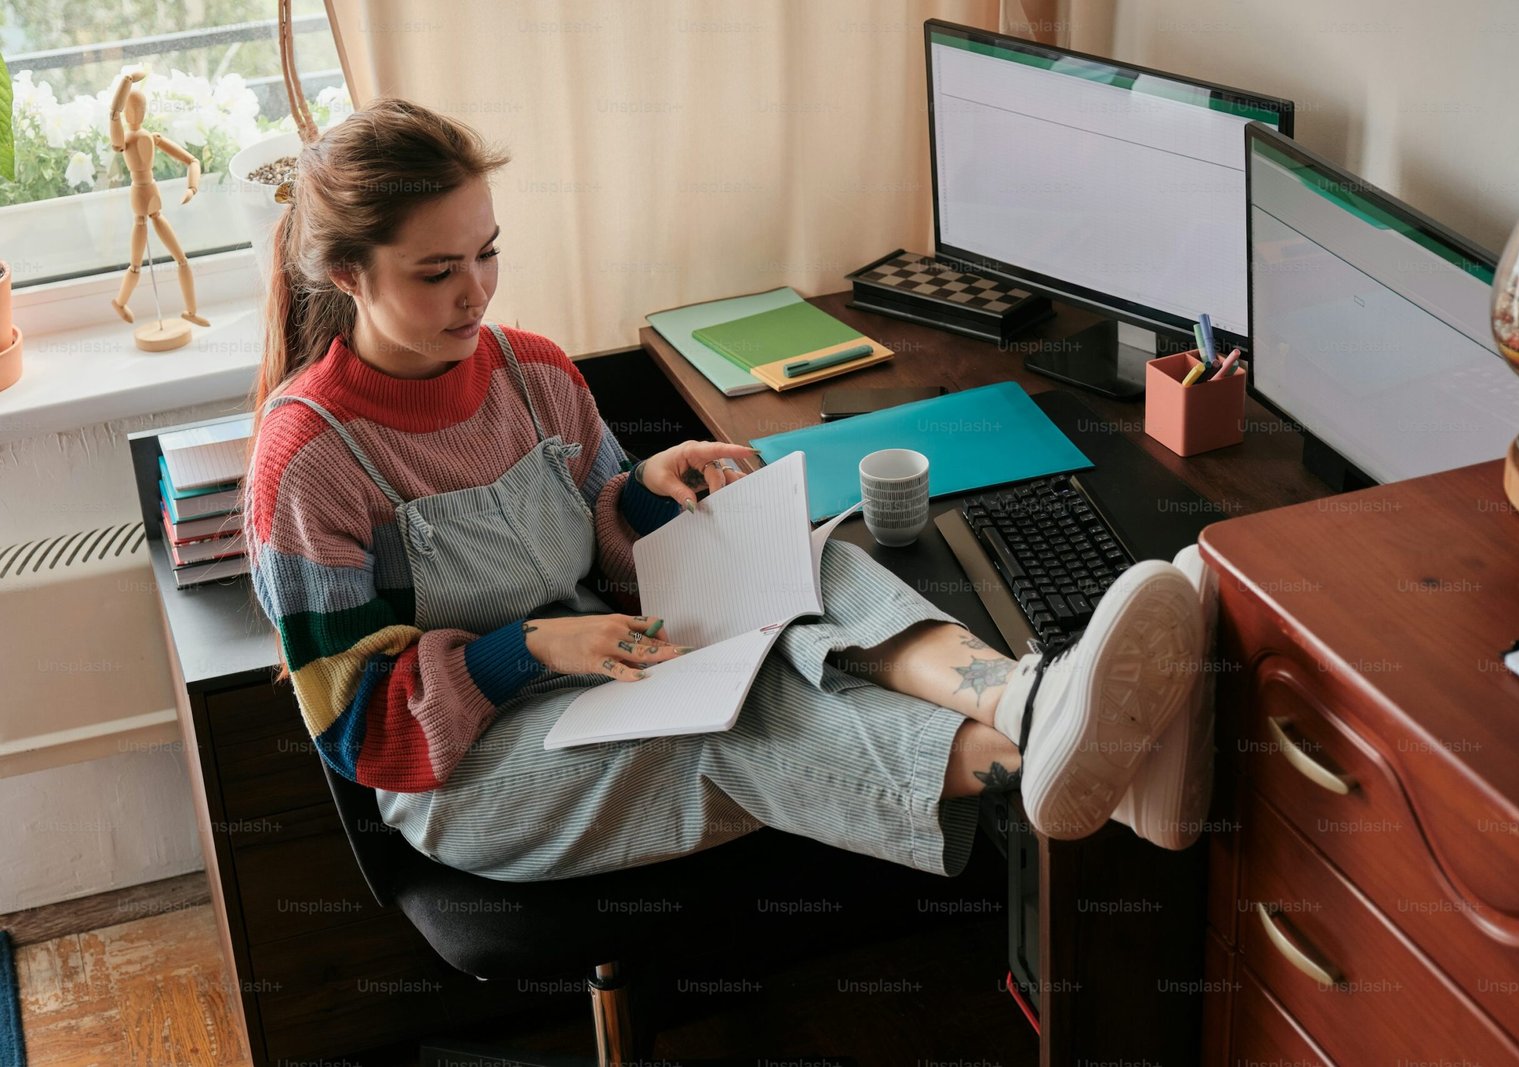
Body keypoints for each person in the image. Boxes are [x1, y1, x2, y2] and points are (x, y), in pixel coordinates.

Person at [242, 97, 1210, 885]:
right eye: (437, 270)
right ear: (346, 273)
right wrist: (527, 646)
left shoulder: (531, 370)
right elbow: (358, 727)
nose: (478, 291)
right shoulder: (307, 463)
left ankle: (1031, 700)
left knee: (806, 559)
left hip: (611, 667)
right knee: (735, 727)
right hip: (476, 770)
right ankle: (1054, 763)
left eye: (488, 250)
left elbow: (614, 552)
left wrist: (652, 497)